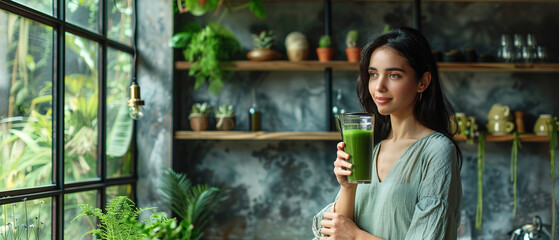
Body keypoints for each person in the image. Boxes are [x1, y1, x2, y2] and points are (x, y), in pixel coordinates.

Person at [312, 27, 462, 240]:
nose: (379, 86)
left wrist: (356, 237)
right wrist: (348, 187)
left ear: (423, 82)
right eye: (373, 74)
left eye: (393, 75)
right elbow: (334, 234)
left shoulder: (437, 150)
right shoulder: (370, 148)